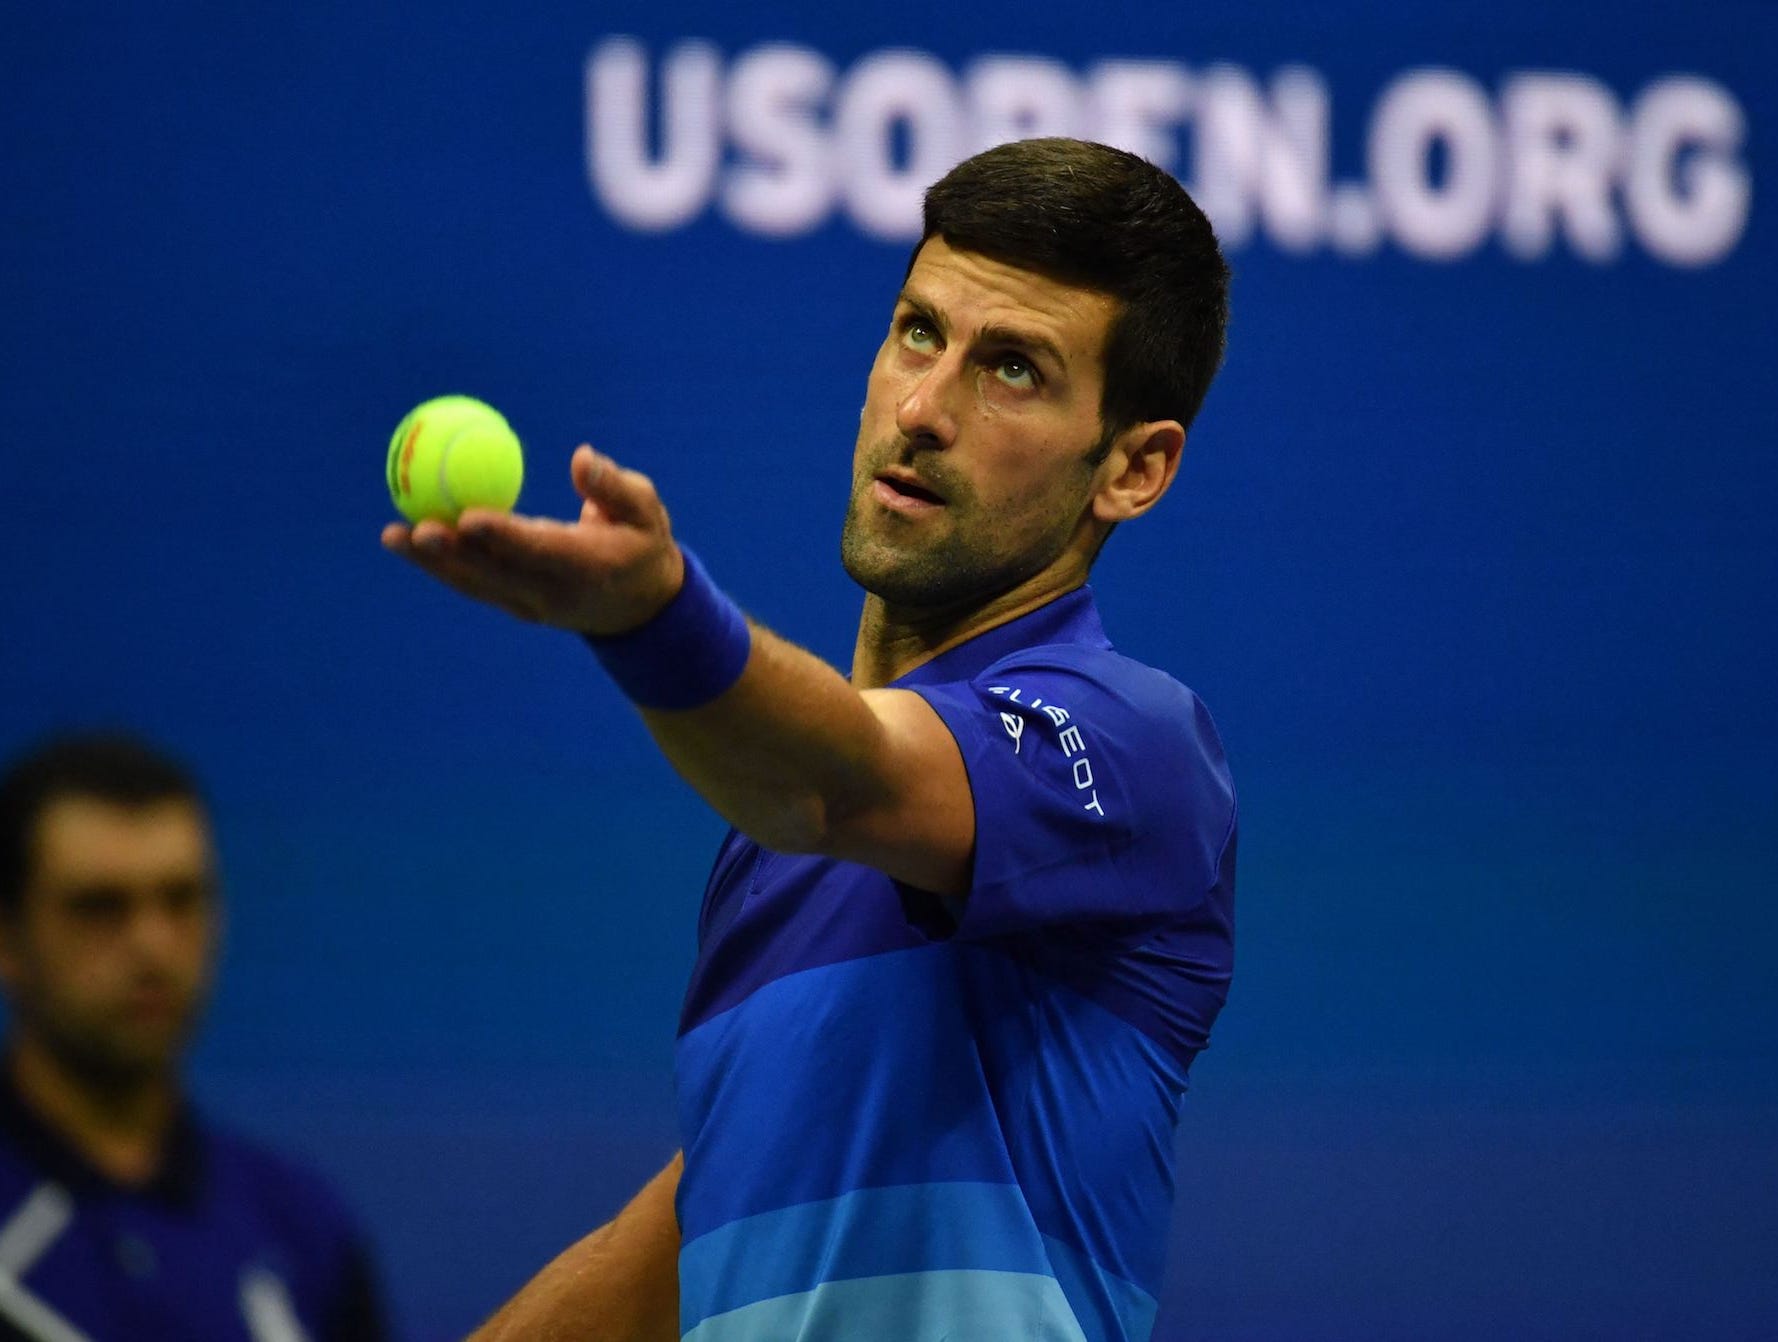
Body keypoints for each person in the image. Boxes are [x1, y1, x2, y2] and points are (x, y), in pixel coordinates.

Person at [387, 137, 1236, 1342]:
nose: (926, 408)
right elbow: (690, 1242)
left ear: (1134, 468)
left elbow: (839, 782)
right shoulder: (767, 841)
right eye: (917, 333)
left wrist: (653, 614)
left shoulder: (1136, 747)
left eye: (1012, 369)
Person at [0, 733, 387, 1342]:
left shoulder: (301, 1231)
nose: (153, 947)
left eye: (181, 900)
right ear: (9, 935)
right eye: (101, 906)